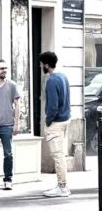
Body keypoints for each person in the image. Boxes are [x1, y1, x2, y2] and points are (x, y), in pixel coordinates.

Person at [39, 51, 71, 197]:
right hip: (65, 120)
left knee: (58, 156)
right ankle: (62, 185)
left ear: (46, 65)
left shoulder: (51, 80)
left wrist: (47, 121)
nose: (40, 67)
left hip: (56, 123)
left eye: (41, 64)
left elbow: (52, 106)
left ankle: (62, 187)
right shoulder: (63, 76)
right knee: (61, 155)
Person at [0, 59, 20, 190]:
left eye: (6, 68)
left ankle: (8, 179)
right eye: (1, 68)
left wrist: (16, 124)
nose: (4, 71)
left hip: (7, 125)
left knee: (8, 154)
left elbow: (17, 105)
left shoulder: (12, 85)